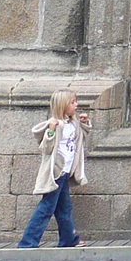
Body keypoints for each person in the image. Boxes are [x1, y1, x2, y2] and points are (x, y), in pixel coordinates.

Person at [17, 89, 91, 248]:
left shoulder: (73, 123)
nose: (76, 105)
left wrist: (83, 123)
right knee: (47, 208)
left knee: (64, 207)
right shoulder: (57, 125)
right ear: (63, 105)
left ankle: (68, 240)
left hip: (65, 172)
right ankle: (27, 242)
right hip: (56, 172)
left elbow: (79, 138)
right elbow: (46, 148)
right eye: (72, 102)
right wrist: (50, 130)